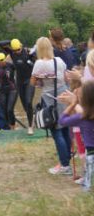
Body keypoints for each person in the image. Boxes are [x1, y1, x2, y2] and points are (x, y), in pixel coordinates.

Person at [31, 36, 71, 176]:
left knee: (56, 131)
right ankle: (68, 161)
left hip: (50, 99)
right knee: (65, 129)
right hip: (64, 97)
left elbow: (33, 82)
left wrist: (41, 81)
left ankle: (65, 165)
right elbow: (66, 79)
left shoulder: (39, 63)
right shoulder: (59, 60)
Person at [57, 82, 94, 192]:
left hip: (91, 155)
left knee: (88, 184)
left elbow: (62, 121)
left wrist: (72, 104)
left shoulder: (81, 118)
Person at [0, 38, 36, 134]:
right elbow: (1, 43)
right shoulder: (12, 53)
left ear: (21, 46)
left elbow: (37, 62)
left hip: (30, 81)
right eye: (14, 50)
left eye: (18, 49)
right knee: (25, 107)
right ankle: (33, 115)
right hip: (19, 82)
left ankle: (30, 126)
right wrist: (10, 42)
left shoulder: (28, 52)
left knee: (28, 102)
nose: (16, 52)